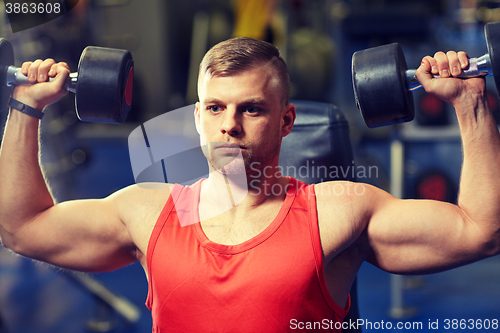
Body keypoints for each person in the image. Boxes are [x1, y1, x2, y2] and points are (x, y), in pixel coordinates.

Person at [0, 37, 499, 332]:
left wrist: (469, 104)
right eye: (215, 108)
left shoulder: (339, 212)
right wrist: (26, 107)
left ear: (286, 121)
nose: (229, 125)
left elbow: (482, 231)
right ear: (197, 118)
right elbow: (22, 228)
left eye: (251, 109)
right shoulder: (145, 213)